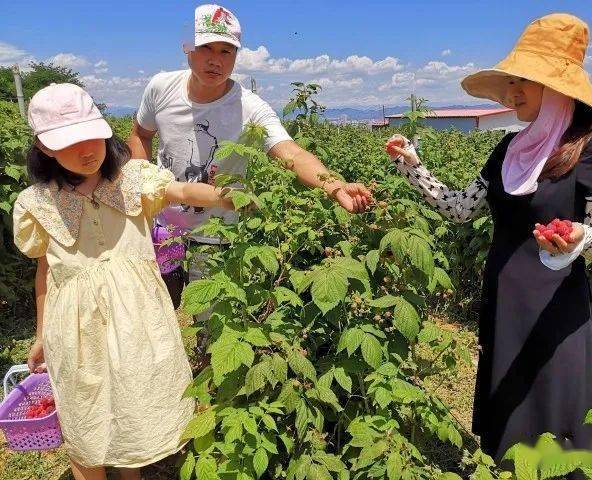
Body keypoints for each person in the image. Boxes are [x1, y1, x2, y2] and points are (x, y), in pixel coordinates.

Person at [386, 13, 592, 463]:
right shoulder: (509, 149)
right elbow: (461, 209)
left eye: (527, 81)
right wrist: (412, 166)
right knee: (509, 412)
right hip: (505, 301)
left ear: (558, 87)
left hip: (555, 310)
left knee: (553, 421)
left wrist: (580, 238)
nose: (513, 91)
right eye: (513, 81)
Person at [13, 83, 239, 480]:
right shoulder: (38, 203)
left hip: (136, 318)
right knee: (84, 410)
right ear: (45, 148)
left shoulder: (131, 179)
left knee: (132, 403)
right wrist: (41, 333)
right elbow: (46, 273)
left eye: (92, 137)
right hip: (76, 327)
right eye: (69, 143)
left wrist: (223, 196)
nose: (87, 151)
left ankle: (129, 469)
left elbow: (181, 188)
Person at [128, 4, 371, 305]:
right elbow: (141, 133)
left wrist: (334, 185)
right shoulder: (161, 88)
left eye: (226, 51)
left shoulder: (250, 107)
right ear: (187, 47)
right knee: (157, 308)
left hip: (218, 231)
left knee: (211, 324)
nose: (215, 60)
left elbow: (291, 153)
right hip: (164, 223)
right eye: (206, 48)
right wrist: (139, 184)